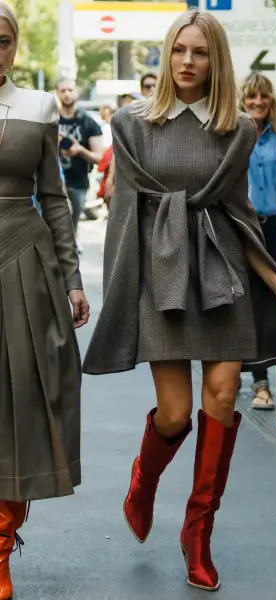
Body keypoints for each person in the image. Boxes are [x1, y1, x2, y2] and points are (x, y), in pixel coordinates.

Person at [83, 10, 276, 592]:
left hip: (223, 276)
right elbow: (123, 218)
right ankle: (144, 480)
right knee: (176, 415)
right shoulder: (133, 125)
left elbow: (239, 219)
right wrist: (121, 295)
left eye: (200, 52)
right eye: (179, 50)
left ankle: (198, 532)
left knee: (224, 395)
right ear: (167, 54)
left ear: (217, 61)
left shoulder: (239, 130)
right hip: (161, 278)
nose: (187, 61)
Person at [0, 4, 90, 599]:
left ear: (14, 45)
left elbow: (54, 200)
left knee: (22, 406)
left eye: (3, 40)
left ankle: (0, 546)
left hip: (23, 265)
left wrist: (73, 279)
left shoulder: (36, 106)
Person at [240, 72, 276, 410]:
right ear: (243, 100)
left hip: (273, 226)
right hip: (242, 228)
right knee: (244, 299)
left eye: (263, 97)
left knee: (271, 302)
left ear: (271, 100)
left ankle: (263, 380)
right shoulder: (233, 134)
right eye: (251, 97)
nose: (258, 103)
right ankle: (254, 378)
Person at [56, 78, 103, 246]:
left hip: (78, 181)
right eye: (63, 90)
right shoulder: (50, 120)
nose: (67, 94)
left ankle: (72, 245)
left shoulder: (88, 122)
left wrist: (80, 150)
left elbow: (100, 158)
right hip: (53, 180)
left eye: (70, 90)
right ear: (57, 93)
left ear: (76, 91)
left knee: (74, 218)